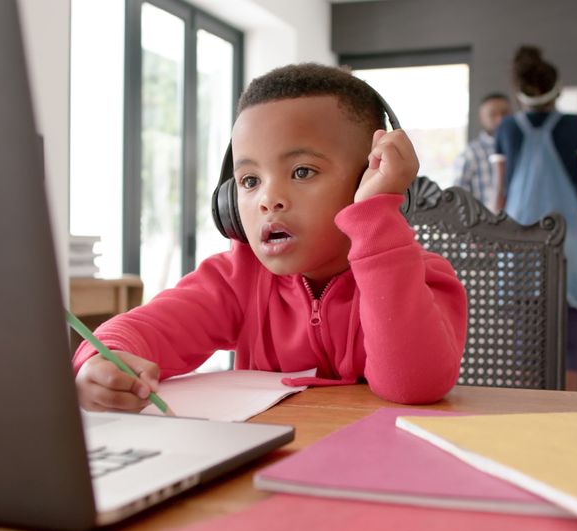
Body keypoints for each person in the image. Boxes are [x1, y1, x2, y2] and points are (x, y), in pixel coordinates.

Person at [72, 63, 468, 411]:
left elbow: (413, 384)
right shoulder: (235, 281)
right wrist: (102, 361)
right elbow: (142, 330)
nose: (268, 199)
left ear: (368, 177)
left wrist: (375, 217)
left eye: (302, 172)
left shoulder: (420, 278)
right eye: (249, 181)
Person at [491, 45, 577, 392]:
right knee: (569, 341)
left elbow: (500, 195)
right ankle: (569, 418)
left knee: (527, 343)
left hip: (520, 245)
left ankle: (529, 417)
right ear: (558, 89)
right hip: (569, 245)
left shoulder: (506, 128)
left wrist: (493, 244)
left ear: (520, 91)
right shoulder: (575, 125)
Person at [453, 92, 510, 210]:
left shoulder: (521, 149)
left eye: (505, 114)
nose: (500, 119)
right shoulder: (470, 153)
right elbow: (458, 200)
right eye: (492, 114)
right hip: (484, 225)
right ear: (482, 118)